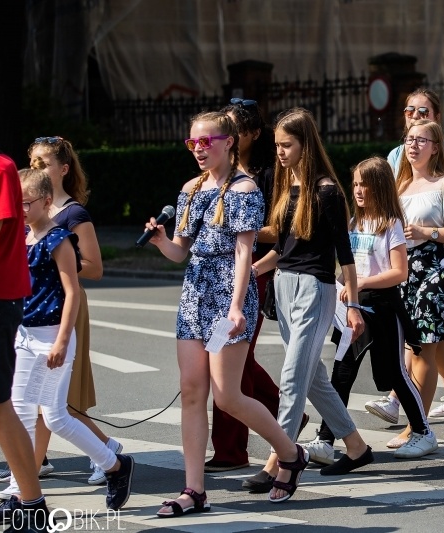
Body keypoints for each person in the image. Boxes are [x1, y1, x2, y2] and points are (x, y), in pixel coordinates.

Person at [146, 111, 308, 512]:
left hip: (228, 296)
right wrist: (161, 240)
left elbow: (243, 252)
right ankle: (194, 490)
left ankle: (290, 453)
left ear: (228, 142)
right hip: (194, 295)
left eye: (206, 142)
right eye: (192, 143)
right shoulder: (191, 189)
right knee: (191, 392)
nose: (198, 149)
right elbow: (181, 251)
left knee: (227, 395)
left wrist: (237, 307)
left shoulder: (244, 189)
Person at [244, 108, 372, 495]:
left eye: (287, 145)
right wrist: (248, 266)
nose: (280, 152)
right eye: (278, 145)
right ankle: (356, 446)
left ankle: (281, 461)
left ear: (305, 145)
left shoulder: (327, 190)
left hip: (315, 290)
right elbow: (283, 248)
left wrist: (352, 304)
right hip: (283, 286)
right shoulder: (286, 188)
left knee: (292, 377)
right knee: (312, 376)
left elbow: (343, 251)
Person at [3, 168, 134, 516]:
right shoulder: (21, 237)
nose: (20, 209)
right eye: (15, 203)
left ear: (47, 201)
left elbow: (73, 293)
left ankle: (115, 466)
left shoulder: (58, 238)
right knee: (21, 413)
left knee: (57, 416)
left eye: (25, 203)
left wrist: (62, 340)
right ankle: (19, 492)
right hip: (25, 335)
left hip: (52, 336)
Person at [305, 156, 438, 463]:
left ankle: (423, 432)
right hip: (352, 309)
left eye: (365, 184)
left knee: (394, 372)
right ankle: (326, 440)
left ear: (380, 187)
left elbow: (399, 272)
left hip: (383, 308)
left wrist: (364, 282)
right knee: (341, 373)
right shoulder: (352, 223)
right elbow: (350, 265)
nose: (358, 190)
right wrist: (343, 281)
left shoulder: (390, 224)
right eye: (354, 184)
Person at [204, 98, 308, 475]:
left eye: (232, 129)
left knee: (230, 359)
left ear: (251, 134)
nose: (224, 136)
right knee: (236, 358)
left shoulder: (269, 173)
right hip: (222, 274)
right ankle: (284, 414)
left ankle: (231, 450)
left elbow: (282, 230)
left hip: (258, 270)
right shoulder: (221, 169)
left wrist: (239, 234)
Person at [370, 88, 444, 427]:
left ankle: (419, 425)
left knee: (423, 348)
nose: (413, 144)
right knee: (440, 353)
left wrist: (426, 232)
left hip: (433, 269)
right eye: (410, 139)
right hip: (405, 271)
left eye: (422, 140)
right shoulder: (399, 186)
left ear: (435, 146)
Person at [26, 136, 119, 486]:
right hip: (33, 308)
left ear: (63, 169)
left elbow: (94, 268)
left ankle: (108, 449)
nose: (36, 168)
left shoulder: (74, 213)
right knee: (37, 396)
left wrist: (56, 261)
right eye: (32, 161)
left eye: (43, 162)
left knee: (62, 397)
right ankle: (33, 465)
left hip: (66, 305)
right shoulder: (31, 209)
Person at [0, 154, 50, 532]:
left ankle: (31, 505)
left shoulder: (1, 169)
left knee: (2, 405)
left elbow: (2, 226)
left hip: (1, 298)